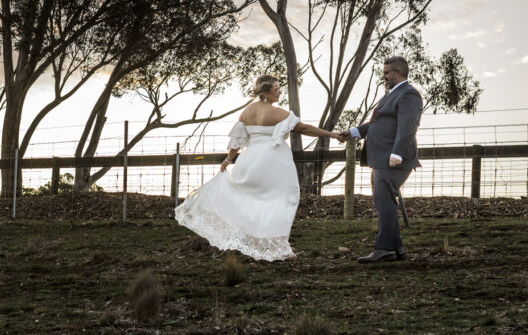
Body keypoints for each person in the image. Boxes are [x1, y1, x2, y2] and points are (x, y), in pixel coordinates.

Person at [174, 74, 343, 261]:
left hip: (250, 160)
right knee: (281, 200)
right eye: (277, 89)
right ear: (266, 93)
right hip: (272, 162)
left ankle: (258, 242)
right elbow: (304, 129)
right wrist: (331, 134)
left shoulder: (247, 112)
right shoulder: (278, 113)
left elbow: (237, 141)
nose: (280, 92)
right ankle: (280, 246)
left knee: (252, 201)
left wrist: (228, 160)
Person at [337, 56, 423, 263]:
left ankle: (384, 248)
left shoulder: (409, 94)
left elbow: (408, 126)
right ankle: (395, 248)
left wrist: (398, 153)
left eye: (386, 73)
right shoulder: (391, 95)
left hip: (392, 158)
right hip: (382, 157)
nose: (383, 76)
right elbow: (376, 124)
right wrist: (353, 131)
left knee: (384, 202)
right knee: (384, 201)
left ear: (398, 73)